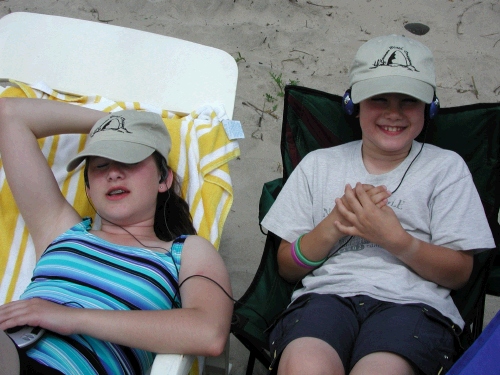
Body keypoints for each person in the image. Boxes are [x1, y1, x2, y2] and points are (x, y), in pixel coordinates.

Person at [261, 34, 495, 375]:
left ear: (430, 108)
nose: (393, 114)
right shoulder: (318, 165)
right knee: (304, 365)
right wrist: (332, 225)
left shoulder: (446, 168)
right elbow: (287, 267)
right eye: (379, 99)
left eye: (409, 102)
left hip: (413, 305)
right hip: (326, 297)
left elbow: (460, 273)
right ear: (351, 104)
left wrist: (396, 240)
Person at [0, 99, 233, 375]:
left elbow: (209, 332)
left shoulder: (185, 252)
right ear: (88, 190)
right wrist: (115, 124)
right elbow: (8, 115)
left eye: (129, 159)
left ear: (164, 179)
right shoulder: (61, 231)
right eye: (100, 165)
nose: (113, 173)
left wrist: (71, 318)